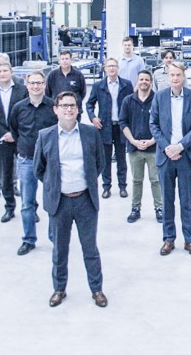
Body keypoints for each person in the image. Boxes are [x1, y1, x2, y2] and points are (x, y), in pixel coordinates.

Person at [34, 91, 107, 308]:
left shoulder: (90, 133)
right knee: (60, 249)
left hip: (85, 201)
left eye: (72, 105)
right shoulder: (45, 136)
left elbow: (99, 164)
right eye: (64, 106)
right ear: (55, 110)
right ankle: (59, 289)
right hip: (60, 202)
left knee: (90, 249)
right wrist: (56, 186)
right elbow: (40, 169)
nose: (69, 109)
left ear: (78, 109)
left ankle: (96, 289)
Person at [149, 61, 191, 256]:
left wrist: (180, 146)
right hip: (165, 157)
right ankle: (168, 239)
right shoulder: (159, 97)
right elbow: (153, 125)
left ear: (184, 76)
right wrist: (167, 147)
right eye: (172, 75)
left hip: (185, 156)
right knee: (167, 201)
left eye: (178, 75)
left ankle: (190, 240)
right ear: (167, 77)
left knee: (185, 201)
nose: (175, 78)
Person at [8, 71, 58, 256]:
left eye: (39, 83)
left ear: (44, 85)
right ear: (27, 85)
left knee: (53, 201)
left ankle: (55, 238)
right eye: (32, 83)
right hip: (26, 160)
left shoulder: (53, 107)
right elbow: (14, 129)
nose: (36, 86)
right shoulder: (18, 108)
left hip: (50, 162)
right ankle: (29, 239)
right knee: (27, 203)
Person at [0, 61, 28, 223]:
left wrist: (14, 134)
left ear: (11, 72)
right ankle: (9, 208)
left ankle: (30, 207)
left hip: (21, 139)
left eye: (5, 71)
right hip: (3, 140)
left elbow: (26, 114)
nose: (2, 74)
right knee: (6, 175)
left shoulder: (22, 90)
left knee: (27, 175)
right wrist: (5, 133)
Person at [86, 58, 134, 199]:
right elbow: (89, 104)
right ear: (105, 68)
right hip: (104, 127)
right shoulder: (98, 86)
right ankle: (106, 187)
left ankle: (122, 187)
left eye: (114, 66)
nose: (112, 68)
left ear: (118, 68)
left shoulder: (126, 85)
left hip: (121, 127)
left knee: (121, 158)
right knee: (105, 159)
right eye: (109, 66)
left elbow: (132, 103)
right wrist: (93, 118)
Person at [120, 70, 163, 223]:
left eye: (146, 79)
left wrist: (152, 141)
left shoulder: (158, 99)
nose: (144, 82)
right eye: (141, 79)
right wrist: (133, 141)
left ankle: (159, 208)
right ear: (137, 81)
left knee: (155, 180)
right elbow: (123, 122)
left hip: (153, 148)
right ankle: (135, 209)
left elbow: (163, 123)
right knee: (137, 180)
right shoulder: (128, 100)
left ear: (151, 82)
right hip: (134, 148)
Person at [45, 50, 87, 122]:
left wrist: (74, 102)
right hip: (57, 112)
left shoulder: (78, 75)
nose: (64, 61)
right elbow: (47, 93)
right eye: (62, 59)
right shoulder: (52, 75)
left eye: (67, 59)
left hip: (73, 111)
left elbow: (83, 92)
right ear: (59, 61)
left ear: (71, 60)